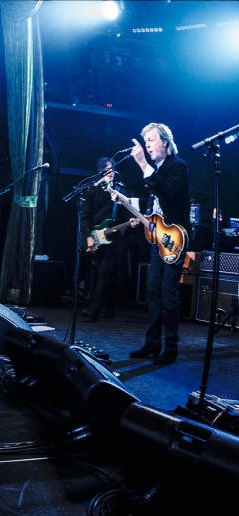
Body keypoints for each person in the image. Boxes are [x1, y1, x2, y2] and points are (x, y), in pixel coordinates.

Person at [126, 123, 189, 365]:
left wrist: (142, 164)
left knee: (168, 294)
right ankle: (152, 343)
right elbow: (156, 208)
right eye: (146, 140)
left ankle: (170, 348)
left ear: (165, 142)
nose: (147, 145)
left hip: (175, 238)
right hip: (158, 240)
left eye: (151, 140)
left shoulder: (178, 167)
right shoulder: (157, 169)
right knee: (152, 292)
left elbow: (167, 194)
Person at [81, 157, 128, 322]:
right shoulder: (92, 190)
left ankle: (94, 311)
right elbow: (85, 216)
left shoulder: (120, 189)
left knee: (105, 273)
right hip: (95, 236)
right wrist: (88, 236)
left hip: (114, 238)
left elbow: (128, 214)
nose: (109, 174)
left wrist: (130, 223)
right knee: (95, 273)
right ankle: (107, 308)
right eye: (105, 171)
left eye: (111, 170)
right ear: (99, 172)